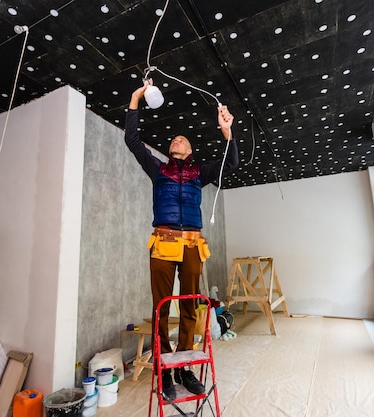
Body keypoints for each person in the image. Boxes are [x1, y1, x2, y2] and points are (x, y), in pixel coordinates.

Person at [125, 80, 239, 399]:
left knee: (190, 305)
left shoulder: (199, 173)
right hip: (162, 243)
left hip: (191, 245)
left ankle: (184, 367)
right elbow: (132, 140)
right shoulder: (158, 169)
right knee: (161, 307)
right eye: (174, 138)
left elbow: (231, 163)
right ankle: (164, 369)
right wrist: (135, 100)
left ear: (189, 151)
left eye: (183, 139)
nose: (177, 139)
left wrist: (226, 131)